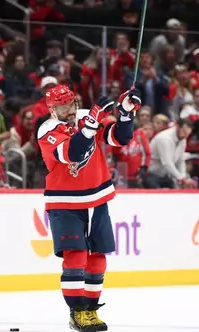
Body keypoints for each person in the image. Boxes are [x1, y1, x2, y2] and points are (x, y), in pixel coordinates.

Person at [37, 85, 140, 332]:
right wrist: (92, 120)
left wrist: (126, 113)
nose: (70, 110)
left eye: (71, 104)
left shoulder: (84, 116)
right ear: (52, 109)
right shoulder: (48, 130)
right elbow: (72, 153)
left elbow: (119, 138)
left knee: (98, 257)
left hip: (97, 198)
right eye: (63, 107)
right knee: (76, 256)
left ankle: (91, 311)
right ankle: (77, 312)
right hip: (65, 202)